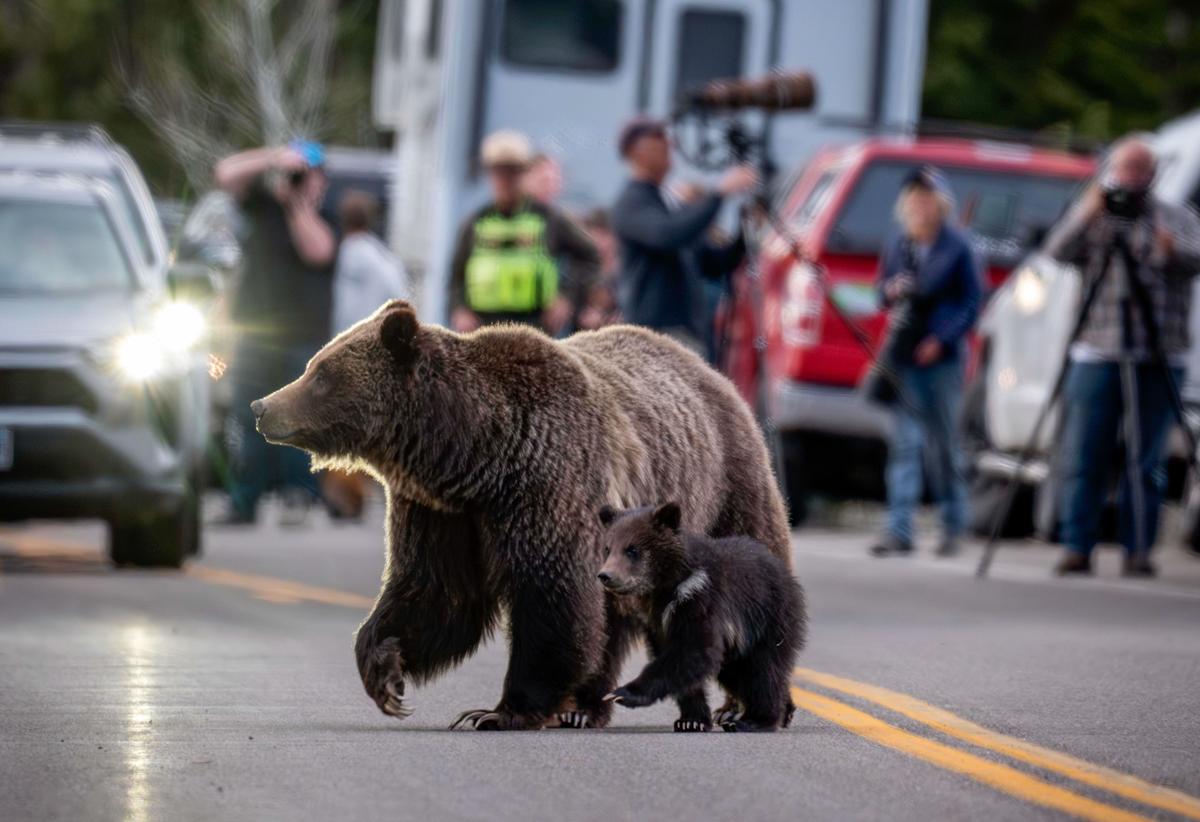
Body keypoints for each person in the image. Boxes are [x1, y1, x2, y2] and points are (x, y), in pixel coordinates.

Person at [1044, 136, 1200, 577]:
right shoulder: (1095, 213)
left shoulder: (1175, 216)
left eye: (1139, 169)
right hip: (1098, 347)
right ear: (1111, 171)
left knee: (1146, 458)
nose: (1131, 178)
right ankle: (1077, 545)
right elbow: (1056, 252)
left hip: (1158, 350)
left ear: (1153, 174)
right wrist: (1088, 213)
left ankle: (1138, 549)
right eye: (1125, 168)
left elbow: (1196, 257)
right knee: (1085, 452)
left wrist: (1171, 250)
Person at [213, 140, 337, 526]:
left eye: (308, 175)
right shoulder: (263, 206)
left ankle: (298, 496)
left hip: (302, 337)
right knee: (247, 416)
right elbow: (225, 173)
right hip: (257, 332)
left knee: (298, 419)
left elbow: (318, 252)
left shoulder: (326, 216)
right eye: (297, 174)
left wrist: (298, 206)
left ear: (321, 181)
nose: (301, 180)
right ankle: (243, 500)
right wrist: (272, 158)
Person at [870, 166, 981, 559]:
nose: (920, 205)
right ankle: (899, 529)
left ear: (941, 203)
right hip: (903, 355)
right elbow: (879, 292)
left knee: (943, 445)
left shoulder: (958, 246)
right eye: (914, 198)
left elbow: (972, 302)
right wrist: (891, 289)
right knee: (904, 444)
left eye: (927, 198)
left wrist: (942, 339)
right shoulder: (900, 244)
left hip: (941, 360)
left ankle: (953, 524)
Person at [611, 117, 756, 356]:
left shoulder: (665, 203)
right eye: (658, 139)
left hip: (685, 332)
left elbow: (713, 262)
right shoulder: (631, 202)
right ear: (637, 151)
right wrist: (719, 194)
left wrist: (745, 230)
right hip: (655, 334)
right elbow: (666, 235)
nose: (668, 145)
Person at [448, 131, 599, 335]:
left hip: (534, 329)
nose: (505, 180)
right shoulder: (476, 221)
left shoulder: (548, 218)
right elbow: (456, 274)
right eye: (499, 173)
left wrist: (566, 297)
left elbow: (590, 256)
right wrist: (459, 309)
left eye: (513, 172)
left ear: (525, 174)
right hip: (481, 330)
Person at [322, 189, 410, 520]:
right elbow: (400, 299)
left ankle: (345, 497)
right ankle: (378, 493)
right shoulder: (383, 259)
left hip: (338, 349)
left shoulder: (337, 255)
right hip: (374, 352)